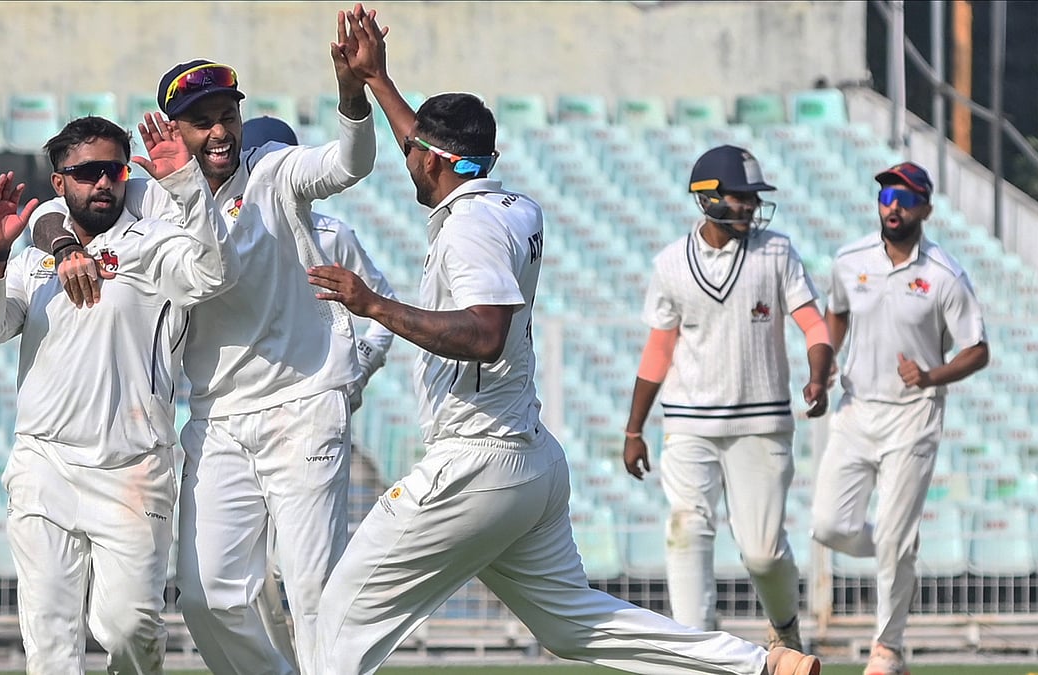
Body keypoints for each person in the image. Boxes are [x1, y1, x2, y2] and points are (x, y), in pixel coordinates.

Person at [306, 7, 821, 674]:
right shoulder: (513, 204)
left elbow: (487, 333)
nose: (405, 154)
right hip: (532, 464)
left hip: (474, 460)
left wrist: (372, 302)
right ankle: (760, 664)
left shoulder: (468, 230)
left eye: (413, 152)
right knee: (576, 625)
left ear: (434, 162)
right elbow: (426, 146)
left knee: (337, 611)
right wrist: (378, 80)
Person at [28, 17, 383, 674]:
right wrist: (64, 243)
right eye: (202, 121)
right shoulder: (148, 193)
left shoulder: (274, 171)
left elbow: (348, 164)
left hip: (302, 401)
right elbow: (50, 208)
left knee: (309, 590)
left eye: (227, 115)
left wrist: (353, 92)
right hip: (217, 416)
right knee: (206, 597)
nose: (220, 131)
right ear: (173, 132)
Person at [0, 115, 238, 674]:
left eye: (112, 169)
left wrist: (184, 183)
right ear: (61, 182)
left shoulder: (151, 241)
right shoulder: (36, 254)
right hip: (46, 464)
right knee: (51, 644)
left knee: (128, 627)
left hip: (133, 469)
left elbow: (212, 275)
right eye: (87, 172)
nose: (104, 182)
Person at [621, 144, 833, 650]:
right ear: (707, 197)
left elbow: (814, 324)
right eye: (740, 197)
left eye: (753, 199)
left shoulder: (776, 252)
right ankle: (698, 652)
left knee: (762, 553)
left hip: (761, 424)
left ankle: (785, 630)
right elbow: (657, 352)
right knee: (686, 529)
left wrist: (819, 375)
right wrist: (634, 429)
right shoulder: (670, 263)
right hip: (689, 423)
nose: (750, 208)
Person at [810, 162, 988, 675]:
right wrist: (820, 375)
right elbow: (836, 314)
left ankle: (886, 649)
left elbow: (978, 350)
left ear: (925, 210)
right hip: (856, 409)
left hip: (915, 414)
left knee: (894, 535)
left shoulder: (944, 275)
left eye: (906, 198)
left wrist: (931, 376)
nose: (893, 205)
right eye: (887, 194)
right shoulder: (849, 260)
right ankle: (898, 550)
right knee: (829, 526)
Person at [241, 114, 398, 413]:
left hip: (316, 395)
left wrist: (362, 364)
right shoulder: (226, 237)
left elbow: (383, 303)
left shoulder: (332, 235)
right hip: (249, 399)